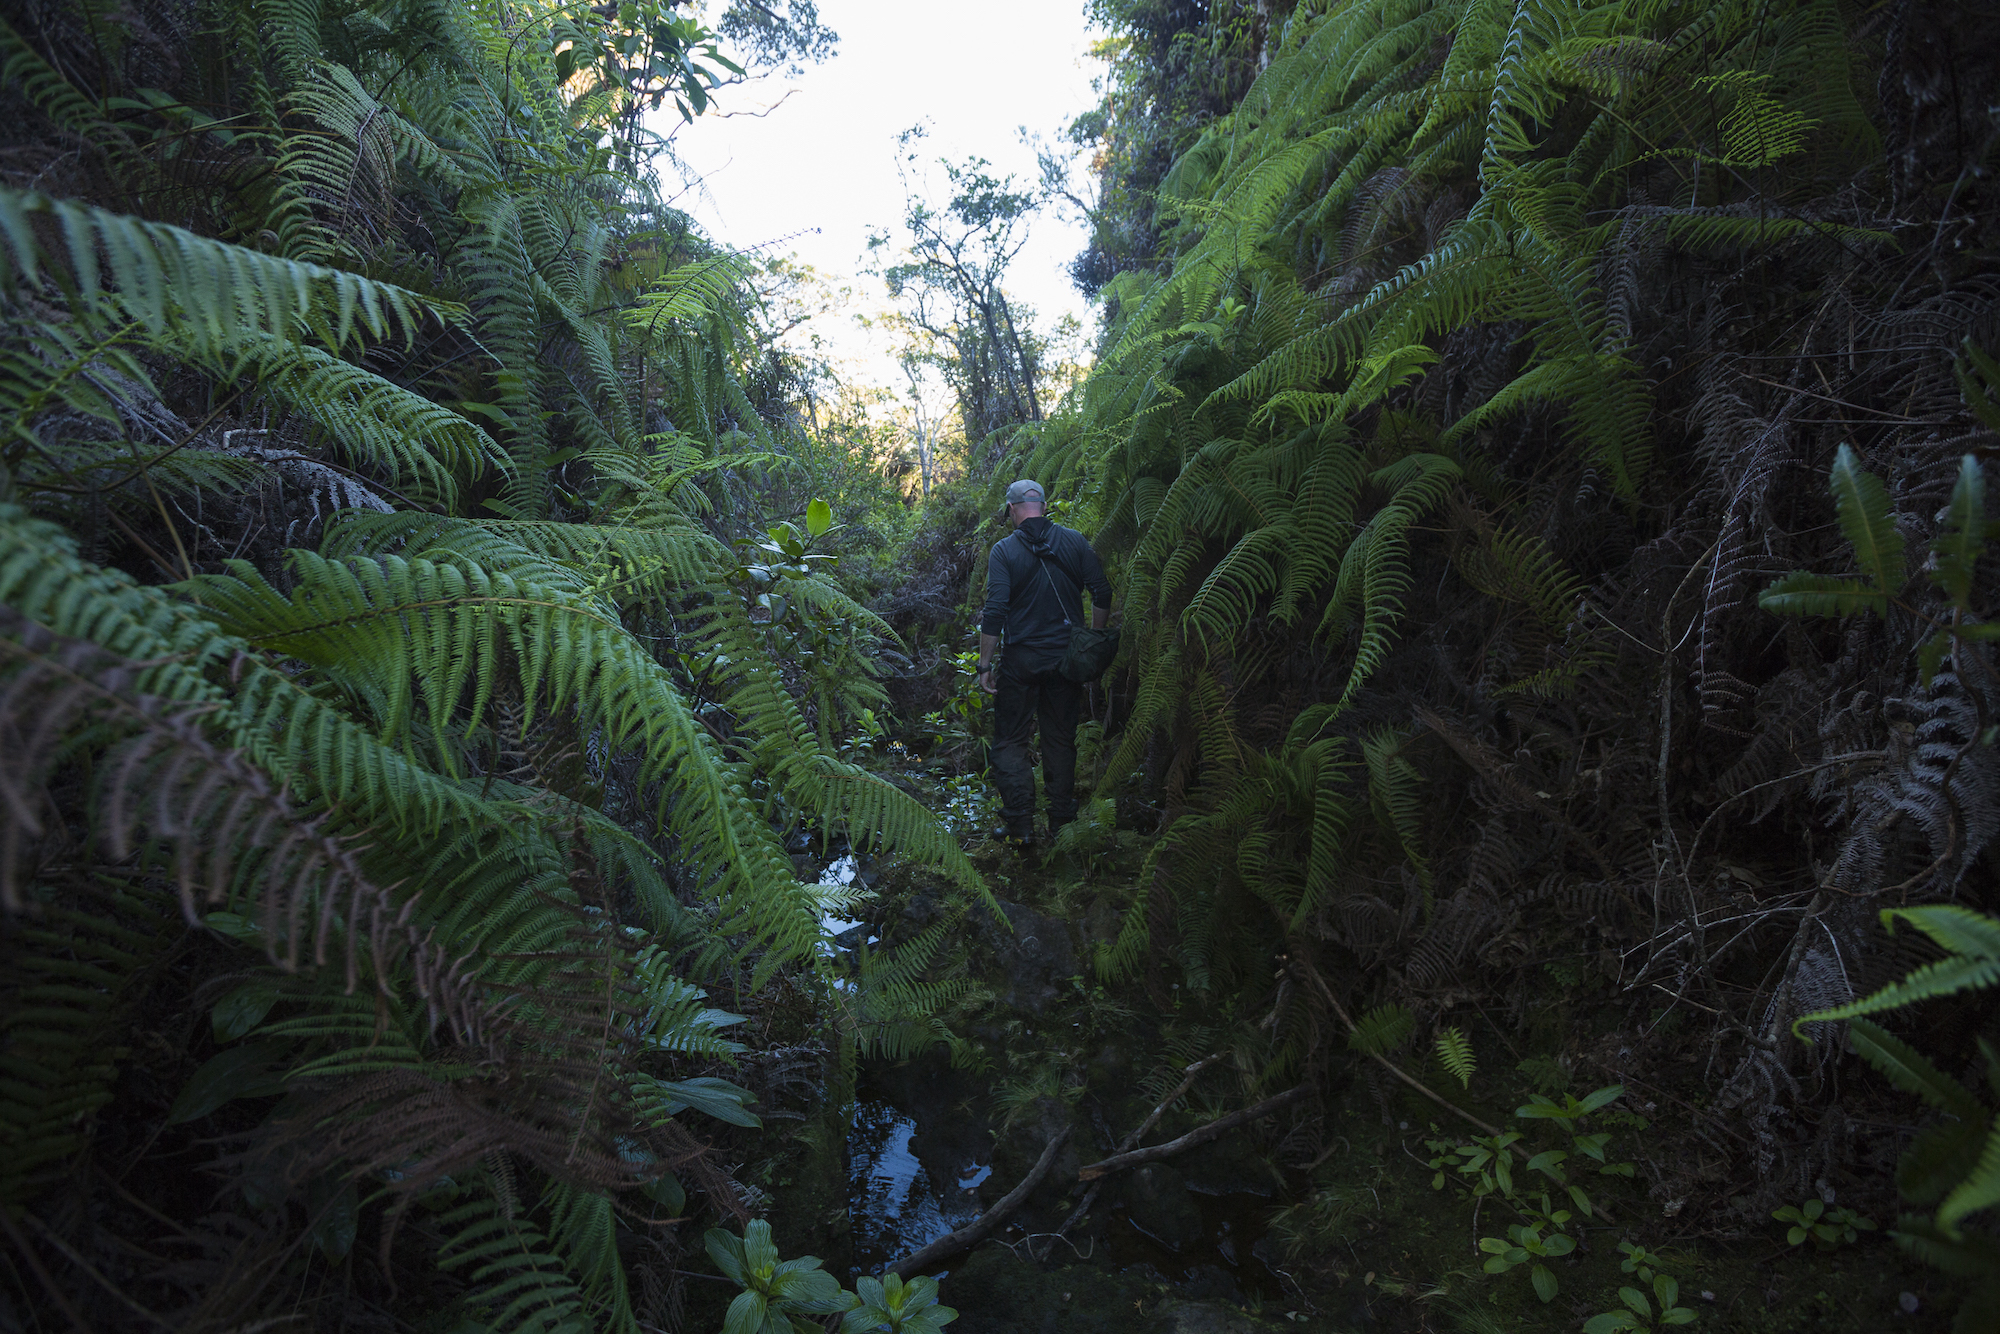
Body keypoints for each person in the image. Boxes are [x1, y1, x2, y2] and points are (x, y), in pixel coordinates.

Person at [975, 479, 1113, 846]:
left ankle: (1021, 826)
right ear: (1044, 506)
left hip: (1021, 660)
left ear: (1011, 510)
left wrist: (985, 664)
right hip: (1066, 659)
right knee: (1060, 739)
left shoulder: (1003, 551)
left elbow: (995, 610)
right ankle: (1061, 825)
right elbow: (1102, 590)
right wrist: (1091, 642)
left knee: (1009, 741)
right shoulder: (1074, 540)